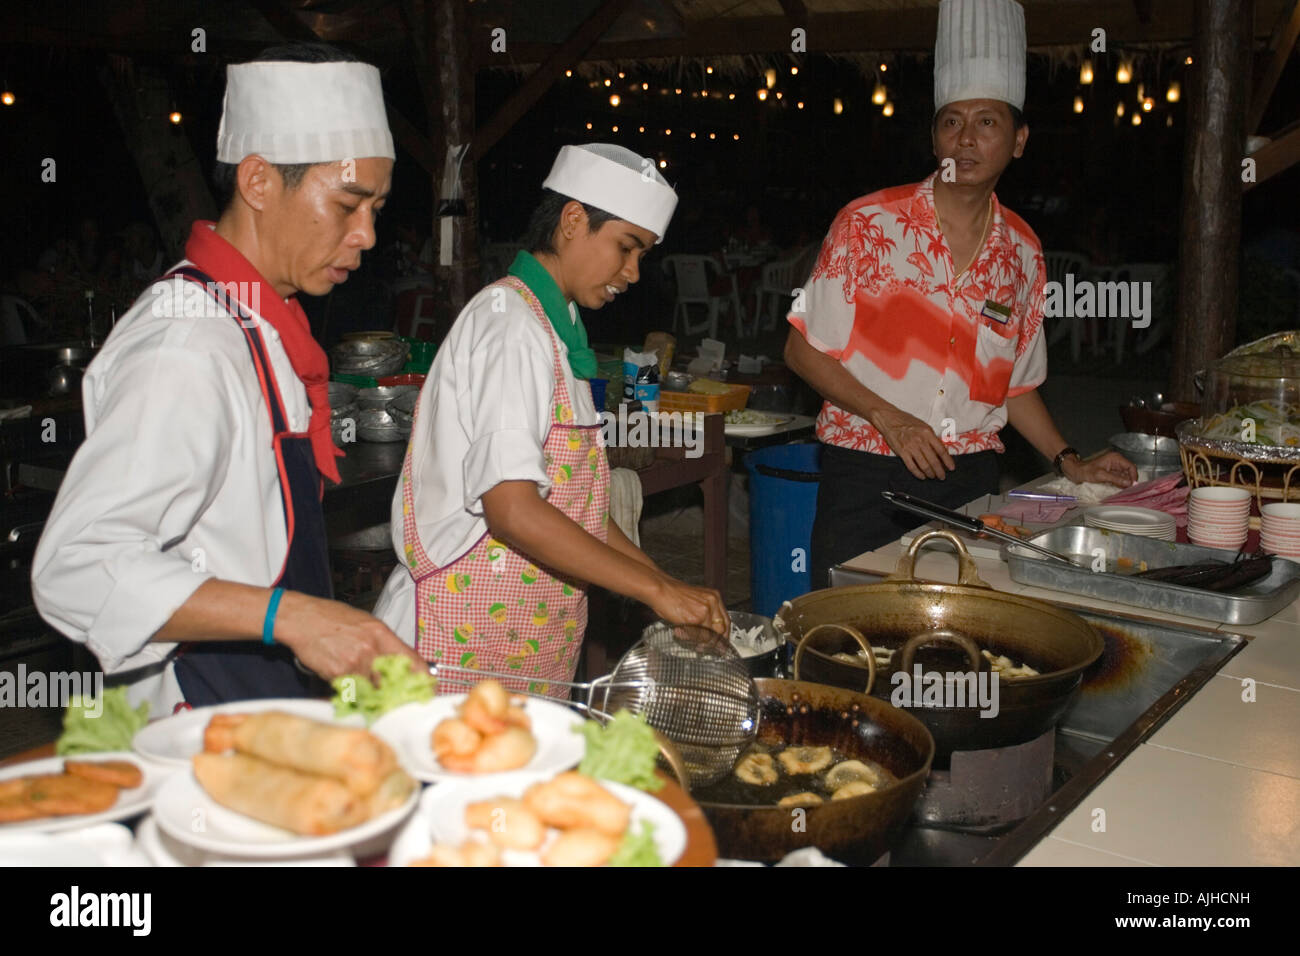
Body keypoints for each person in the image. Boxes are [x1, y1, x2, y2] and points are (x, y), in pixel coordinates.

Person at [32, 42, 421, 713]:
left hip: (265, 701)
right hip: (198, 717)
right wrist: (291, 618)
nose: (368, 236)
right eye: (348, 204)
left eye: (377, 210)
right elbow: (78, 566)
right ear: (260, 181)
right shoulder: (186, 342)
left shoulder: (265, 323)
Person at [784, 0, 1136, 588]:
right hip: (868, 473)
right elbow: (801, 350)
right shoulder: (870, 224)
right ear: (934, 136)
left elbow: (1013, 385)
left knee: (951, 643)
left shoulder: (1023, 252)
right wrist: (889, 418)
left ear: (1019, 140)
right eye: (952, 121)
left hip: (971, 481)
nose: (966, 139)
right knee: (848, 645)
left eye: (987, 122)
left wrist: (1070, 462)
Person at [373, 144, 729, 694]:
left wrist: (661, 580)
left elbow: (573, 510)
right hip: (455, 643)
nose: (632, 273)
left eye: (643, 256)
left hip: (519, 640)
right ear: (572, 220)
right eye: (626, 248)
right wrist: (654, 593)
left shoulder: (557, 329)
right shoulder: (510, 326)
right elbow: (512, 509)